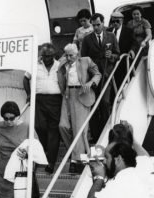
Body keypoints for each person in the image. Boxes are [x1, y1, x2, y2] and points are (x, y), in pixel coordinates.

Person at [58, 43, 101, 173]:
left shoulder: (85, 60)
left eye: (71, 55)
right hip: (67, 94)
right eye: (67, 55)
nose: (69, 57)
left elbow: (97, 73)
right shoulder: (64, 63)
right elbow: (57, 65)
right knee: (63, 126)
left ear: (77, 54)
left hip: (81, 94)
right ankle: (75, 152)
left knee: (79, 129)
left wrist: (90, 83)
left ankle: (76, 160)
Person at [23, 43, 62, 174]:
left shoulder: (59, 65)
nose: (46, 58)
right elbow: (25, 78)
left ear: (53, 55)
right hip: (39, 99)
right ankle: (43, 153)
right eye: (44, 56)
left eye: (49, 56)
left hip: (55, 100)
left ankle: (50, 163)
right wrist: (29, 93)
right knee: (40, 128)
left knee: (53, 131)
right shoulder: (35, 65)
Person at [81, 13, 120, 142]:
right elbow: (83, 59)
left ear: (103, 23)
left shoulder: (111, 36)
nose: (96, 27)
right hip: (93, 78)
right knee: (93, 105)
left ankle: (107, 134)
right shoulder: (87, 39)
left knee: (104, 103)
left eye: (98, 24)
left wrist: (112, 56)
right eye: (94, 25)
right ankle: (95, 136)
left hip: (106, 76)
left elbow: (118, 54)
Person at [107, 11, 136, 103]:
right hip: (111, 61)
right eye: (113, 21)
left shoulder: (128, 31)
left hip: (123, 62)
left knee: (123, 82)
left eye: (117, 21)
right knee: (112, 83)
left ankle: (124, 102)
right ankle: (113, 103)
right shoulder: (108, 31)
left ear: (122, 21)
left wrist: (132, 50)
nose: (115, 23)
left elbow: (134, 43)